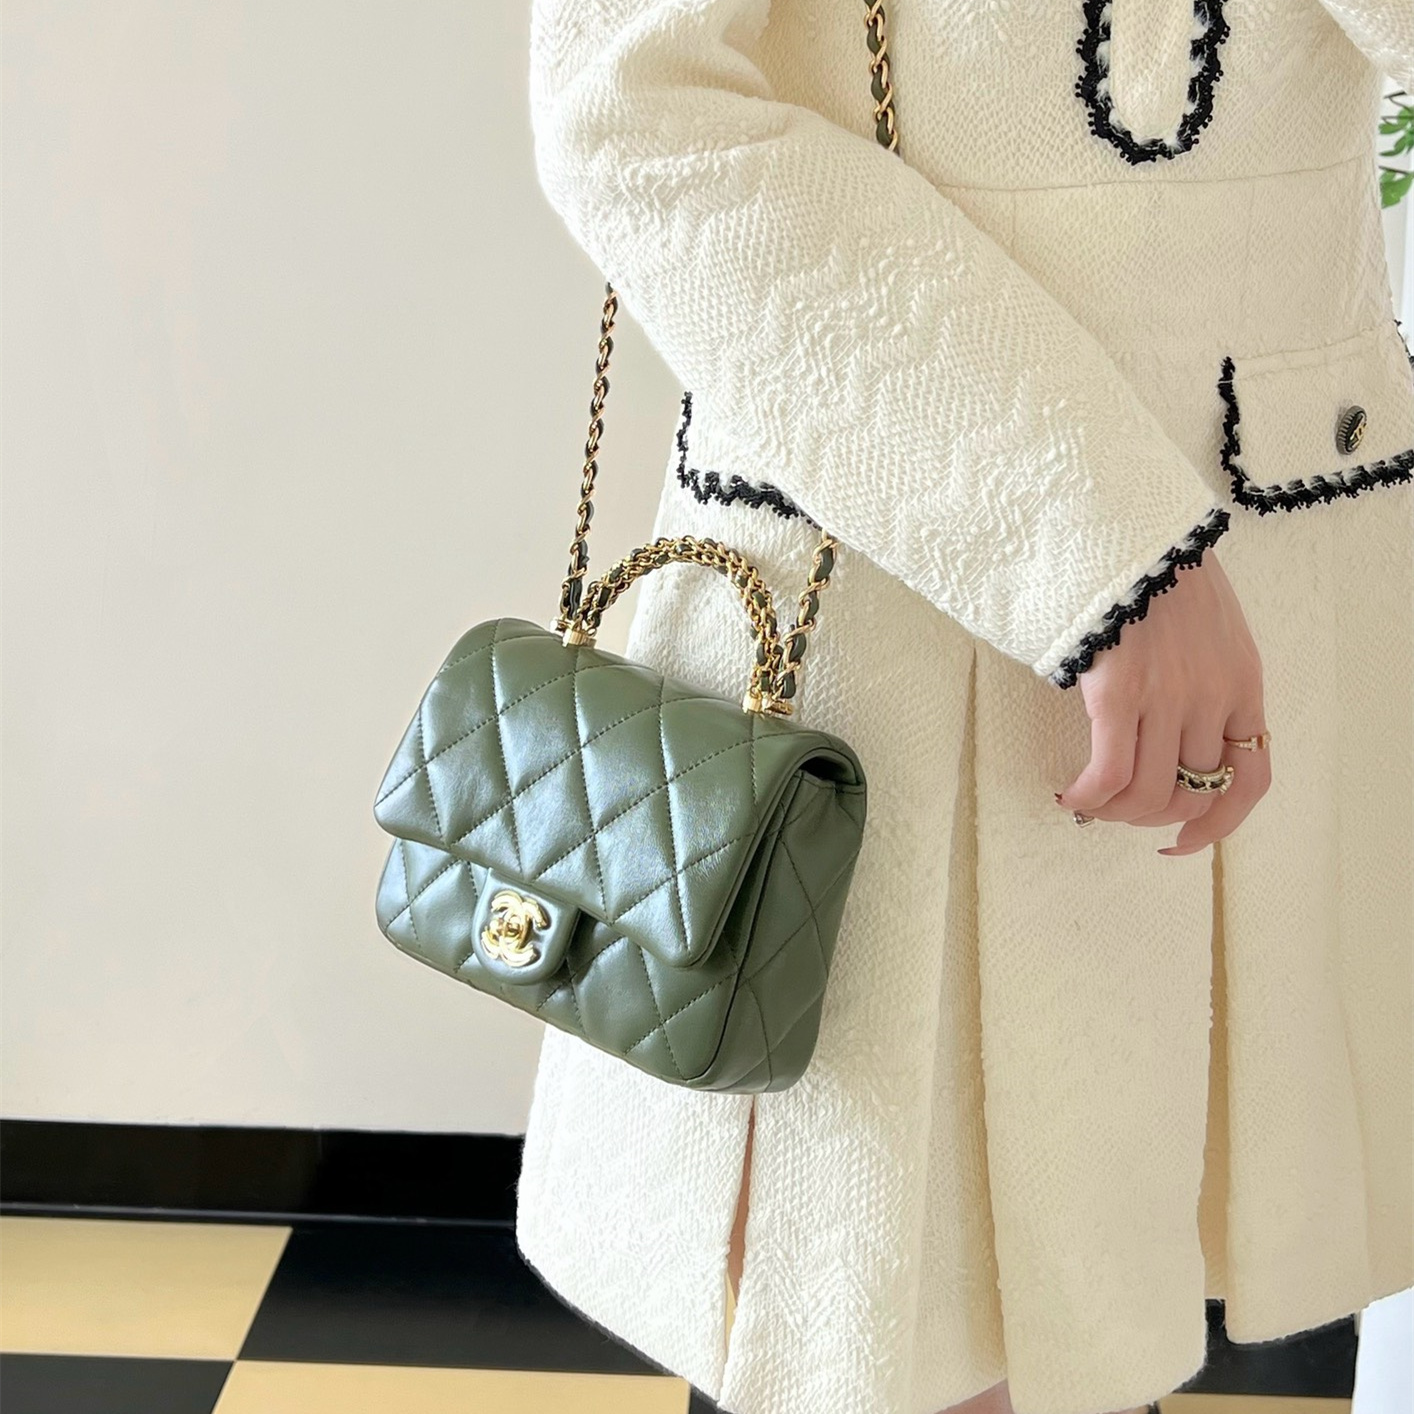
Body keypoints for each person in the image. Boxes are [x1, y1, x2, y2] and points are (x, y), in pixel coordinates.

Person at [512, 4, 1414, 1413]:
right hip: (883, 571)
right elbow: (632, 109)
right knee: (876, 1333)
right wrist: (1091, 529)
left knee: (1135, 1291)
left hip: (1284, 556)